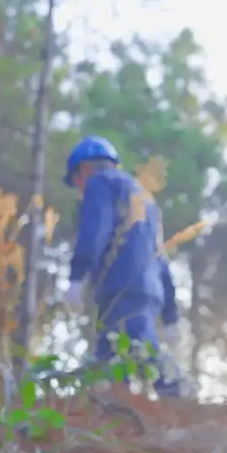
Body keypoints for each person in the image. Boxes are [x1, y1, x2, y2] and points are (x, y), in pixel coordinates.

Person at [64, 135, 182, 398]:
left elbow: (95, 231)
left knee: (139, 345)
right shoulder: (145, 198)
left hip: (120, 287)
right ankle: (115, 413)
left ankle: (177, 393)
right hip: (149, 290)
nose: (79, 189)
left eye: (76, 182)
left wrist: (77, 276)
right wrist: (171, 314)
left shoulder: (99, 184)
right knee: (110, 362)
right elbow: (160, 256)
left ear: (83, 170)